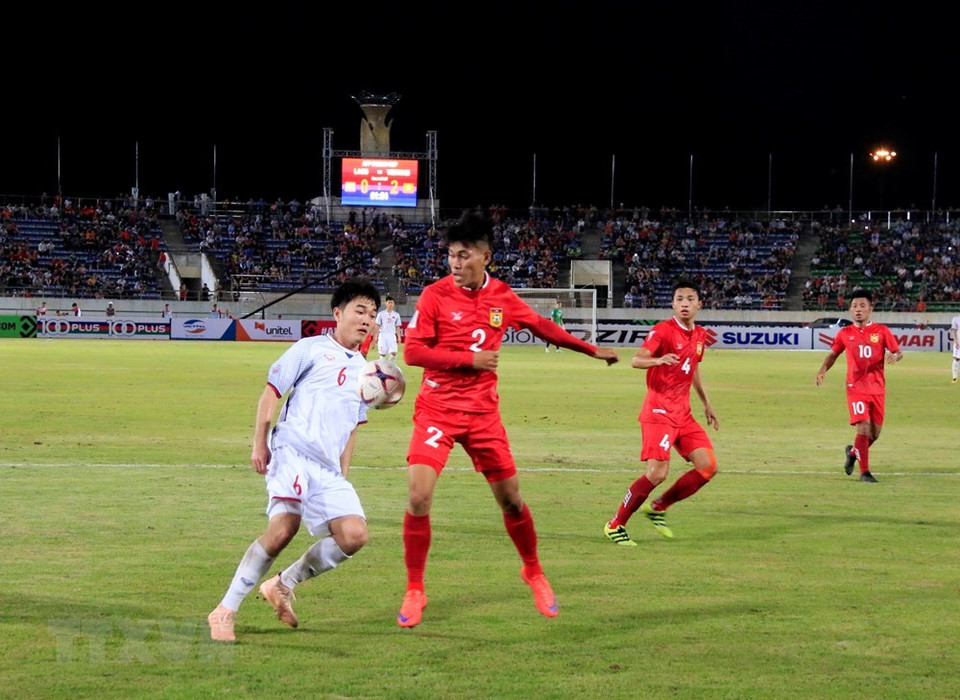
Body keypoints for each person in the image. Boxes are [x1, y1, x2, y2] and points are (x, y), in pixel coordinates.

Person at [396, 209, 619, 628]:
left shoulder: (501, 296)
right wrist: (470, 359)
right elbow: (413, 353)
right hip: (438, 411)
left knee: (512, 500)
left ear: (484, 256)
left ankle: (533, 570)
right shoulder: (433, 296)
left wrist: (592, 350)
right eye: (451, 256)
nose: (455, 264)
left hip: (482, 415)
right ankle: (415, 588)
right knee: (418, 497)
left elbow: (541, 327)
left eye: (463, 256)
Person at [207, 277, 381, 642]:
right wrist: (260, 444)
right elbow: (270, 394)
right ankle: (224, 610)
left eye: (372, 313)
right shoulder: (310, 348)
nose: (366, 319)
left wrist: (343, 475)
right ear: (338, 313)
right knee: (285, 527)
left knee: (354, 535)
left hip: (327, 469)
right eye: (359, 310)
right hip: (292, 452)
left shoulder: (367, 373)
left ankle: (282, 584)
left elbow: (352, 427)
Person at [603, 279, 720, 546]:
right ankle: (615, 524)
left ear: (699, 304)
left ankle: (658, 506)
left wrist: (706, 403)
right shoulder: (662, 331)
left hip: (684, 413)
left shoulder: (700, 335)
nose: (685, 304)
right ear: (673, 304)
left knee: (708, 466)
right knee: (657, 473)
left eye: (690, 299)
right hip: (659, 410)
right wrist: (658, 360)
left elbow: (693, 369)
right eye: (680, 299)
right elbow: (636, 359)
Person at [815, 288, 903, 483]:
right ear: (850, 310)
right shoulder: (845, 333)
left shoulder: (881, 331)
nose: (858, 310)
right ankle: (865, 473)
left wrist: (894, 355)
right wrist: (822, 370)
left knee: (874, 434)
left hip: (877, 389)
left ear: (871, 309)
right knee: (863, 428)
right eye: (854, 306)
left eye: (862, 306)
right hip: (855, 388)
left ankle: (853, 453)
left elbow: (898, 352)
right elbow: (833, 354)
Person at [373, 295, 402, 361]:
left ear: (394, 304)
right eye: (389, 302)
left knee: (394, 353)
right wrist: (375, 336)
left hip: (392, 335)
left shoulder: (396, 315)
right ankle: (383, 368)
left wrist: (399, 337)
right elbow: (377, 325)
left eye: (391, 302)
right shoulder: (381, 314)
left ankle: (389, 366)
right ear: (386, 303)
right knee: (382, 354)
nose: (390, 304)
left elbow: (397, 327)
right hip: (383, 334)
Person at [950, 313, 960, 383]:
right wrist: (956, 341)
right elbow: (954, 331)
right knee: (957, 358)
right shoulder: (956, 319)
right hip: (959, 342)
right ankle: (955, 377)